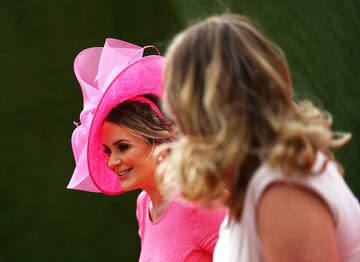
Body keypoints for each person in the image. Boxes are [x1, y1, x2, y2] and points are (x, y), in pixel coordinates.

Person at [162, 14, 360, 261]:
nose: (177, 127)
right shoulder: (263, 181)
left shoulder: (283, 192)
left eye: (179, 110)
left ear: (203, 113)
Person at [67, 38, 225, 261]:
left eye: (123, 147)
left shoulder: (198, 200)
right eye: (107, 151)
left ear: (157, 140)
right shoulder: (144, 206)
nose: (112, 162)